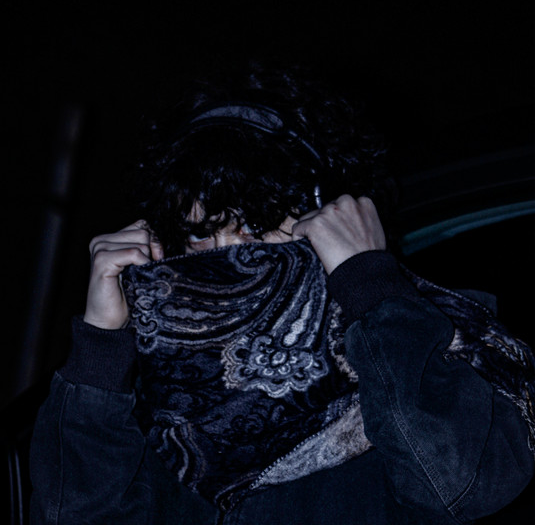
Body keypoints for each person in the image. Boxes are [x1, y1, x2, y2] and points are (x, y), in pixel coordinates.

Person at [30, 64, 535, 524]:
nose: (226, 253)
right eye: (200, 233)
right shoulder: (165, 396)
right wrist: (100, 350)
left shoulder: (437, 342)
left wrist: (370, 284)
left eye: (254, 225)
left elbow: (458, 486)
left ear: (326, 219)